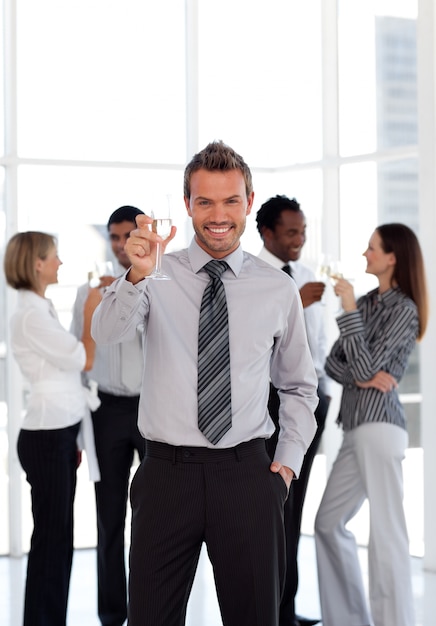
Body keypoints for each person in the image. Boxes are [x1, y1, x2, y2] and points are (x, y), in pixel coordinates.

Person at [91, 140, 319, 626]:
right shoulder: (154, 274)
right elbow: (106, 333)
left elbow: (299, 386)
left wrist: (285, 471)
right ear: (188, 204)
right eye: (205, 201)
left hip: (247, 476)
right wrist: (134, 275)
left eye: (231, 200)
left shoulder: (277, 288)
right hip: (165, 478)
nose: (219, 214)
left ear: (249, 202)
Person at [314, 223, 429, 626]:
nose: (365, 254)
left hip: (381, 427)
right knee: (327, 523)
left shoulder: (405, 309)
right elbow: (334, 365)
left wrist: (347, 315)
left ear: (393, 256)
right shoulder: (363, 304)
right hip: (355, 427)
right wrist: (362, 373)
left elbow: (359, 363)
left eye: (371, 248)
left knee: (387, 534)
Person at [4, 231, 100, 626]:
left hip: (57, 433)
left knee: (59, 539)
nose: (60, 262)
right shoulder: (29, 315)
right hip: (46, 437)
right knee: (51, 540)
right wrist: (92, 311)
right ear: (36, 264)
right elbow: (83, 359)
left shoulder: (39, 309)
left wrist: (72, 437)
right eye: (54, 256)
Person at [256, 195, 331, 626]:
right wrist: (295, 304)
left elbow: (316, 347)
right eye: (291, 232)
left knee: (293, 509)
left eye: (302, 231)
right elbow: (250, 352)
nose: (300, 240)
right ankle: (265, 610)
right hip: (266, 404)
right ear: (267, 233)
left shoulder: (306, 276)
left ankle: (286, 610)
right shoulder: (252, 278)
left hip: (309, 403)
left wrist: (322, 392)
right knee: (267, 511)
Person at [70, 205, 145, 626]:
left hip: (152, 410)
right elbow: (79, 356)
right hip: (108, 412)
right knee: (109, 517)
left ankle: (152, 610)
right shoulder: (88, 291)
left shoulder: (159, 285)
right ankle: (112, 614)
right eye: (113, 238)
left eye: (126, 237)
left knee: (155, 518)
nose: (119, 245)